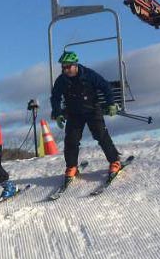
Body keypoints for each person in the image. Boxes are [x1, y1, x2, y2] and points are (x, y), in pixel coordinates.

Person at [50, 51, 121, 184]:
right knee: (71, 140)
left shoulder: (89, 75)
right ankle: (71, 167)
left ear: (75, 65)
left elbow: (105, 87)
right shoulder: (62, 80)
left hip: (92, 110)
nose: (65, 70)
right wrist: (58, 113)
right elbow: (55, 97)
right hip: (74, 113)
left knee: (101, 135)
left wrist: (111, 103)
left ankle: (114, 161)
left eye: (68, 66)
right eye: (63, 67)